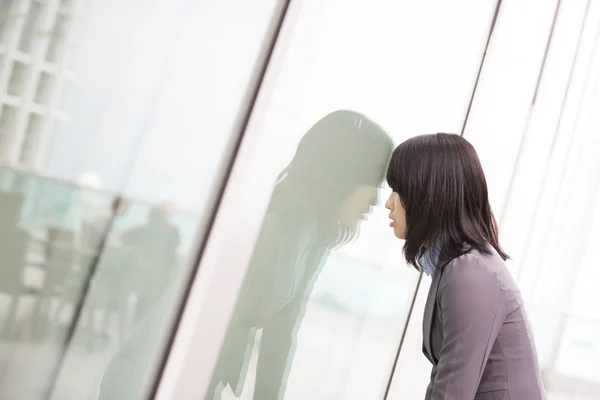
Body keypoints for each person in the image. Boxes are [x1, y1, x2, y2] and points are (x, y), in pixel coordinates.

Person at [208, 110, 394, 399]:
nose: (376, 201)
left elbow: (281, 330)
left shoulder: (314, 233)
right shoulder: (277, 223)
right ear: (343, 174)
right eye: (374, 183)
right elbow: (212, 324)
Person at [384, 133, 546, 400]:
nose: (389, 203)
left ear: (427, 193)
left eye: (398, 190)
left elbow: (452, 391)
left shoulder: (470, 272)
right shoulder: (456, 266)